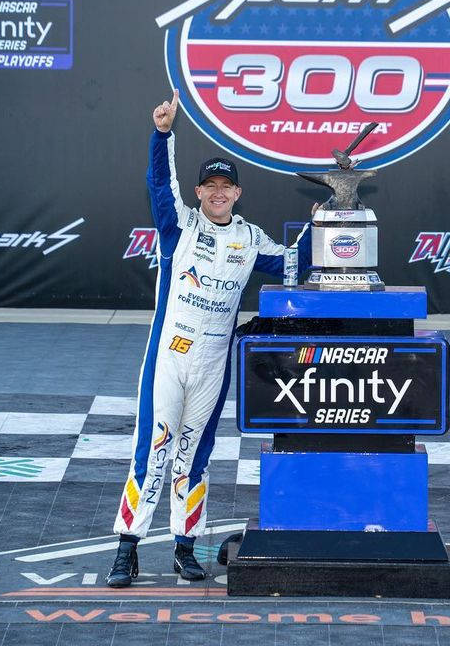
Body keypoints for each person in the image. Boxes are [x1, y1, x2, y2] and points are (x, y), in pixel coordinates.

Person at [108, 89, 311, 587]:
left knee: (194, 456)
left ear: (238, 193)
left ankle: (184, 547)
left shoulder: (249, 237)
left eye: (226, 186)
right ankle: (126, 550)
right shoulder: (179, 226)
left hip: (214, 364)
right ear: (198, 193)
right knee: (153, 453)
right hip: (169, 357)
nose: (218, 193)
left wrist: (325, 224)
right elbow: (160, 183)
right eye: (210, 186)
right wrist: (162, 135)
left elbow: (295, 263)